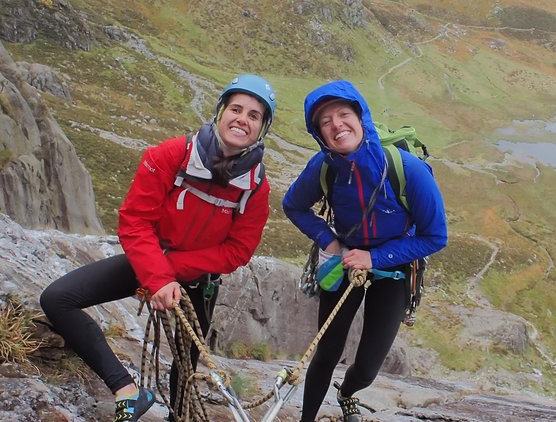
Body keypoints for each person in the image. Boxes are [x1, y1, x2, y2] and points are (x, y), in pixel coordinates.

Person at [40, 74, 277, 422]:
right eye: (236, 108)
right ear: (220, 112)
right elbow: (135, 221)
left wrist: (170, 271)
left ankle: (179, 415)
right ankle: (127, 391)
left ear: (261, 129)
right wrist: (157, 274)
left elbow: (238, 251)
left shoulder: (255, 187)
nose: (242, 118)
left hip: (196, 282)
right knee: (57, 299)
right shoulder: (171, 155)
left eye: (254, 115)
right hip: (148, 262)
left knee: (185, 372)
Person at [282, 80, 447, 422]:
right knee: (326, 352)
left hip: (395, 267)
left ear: (361, 116)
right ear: (320, 135)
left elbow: (435, 236)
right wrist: (329, 241)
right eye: (325, 122)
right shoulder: (323, 167)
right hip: (344, 261)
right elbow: (293, 206)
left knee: (369, 367)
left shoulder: (407, 170)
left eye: (343, 114)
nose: (337, 125)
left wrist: (375, 259)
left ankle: (347, 393)